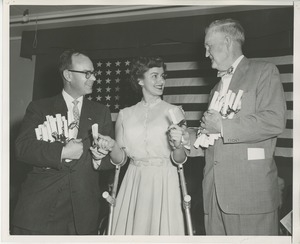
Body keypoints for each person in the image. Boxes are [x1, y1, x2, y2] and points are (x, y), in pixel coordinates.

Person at [188, 18, 286, 235]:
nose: (206, 54)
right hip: (213, 195)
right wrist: (188, 138)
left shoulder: (264, 71)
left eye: (208, 46)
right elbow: (212, 140)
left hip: (249, 194)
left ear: (227, 41)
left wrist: (222, 126)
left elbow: (274, 120)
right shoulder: (215, 88)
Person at [12, 49, 114, 235]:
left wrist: (100, 157)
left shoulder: (101, 112)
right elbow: (22, 148)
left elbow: (108, 161)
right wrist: (62, 152)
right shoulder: (39, 108)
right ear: (68, 75)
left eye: (94, 73)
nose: (94, 78)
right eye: (87, 73)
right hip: (40, 212)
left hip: (82, 216)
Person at [92, 56, 187, 235]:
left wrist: (177, 146)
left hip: (164, 180)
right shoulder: (125, 114)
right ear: (140, 80)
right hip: (134, 180)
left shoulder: (175, 111)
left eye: (163, 76)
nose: (161, 81)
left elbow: (180, 159)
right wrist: (112, 146)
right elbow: (120, 160)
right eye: (154, 76)